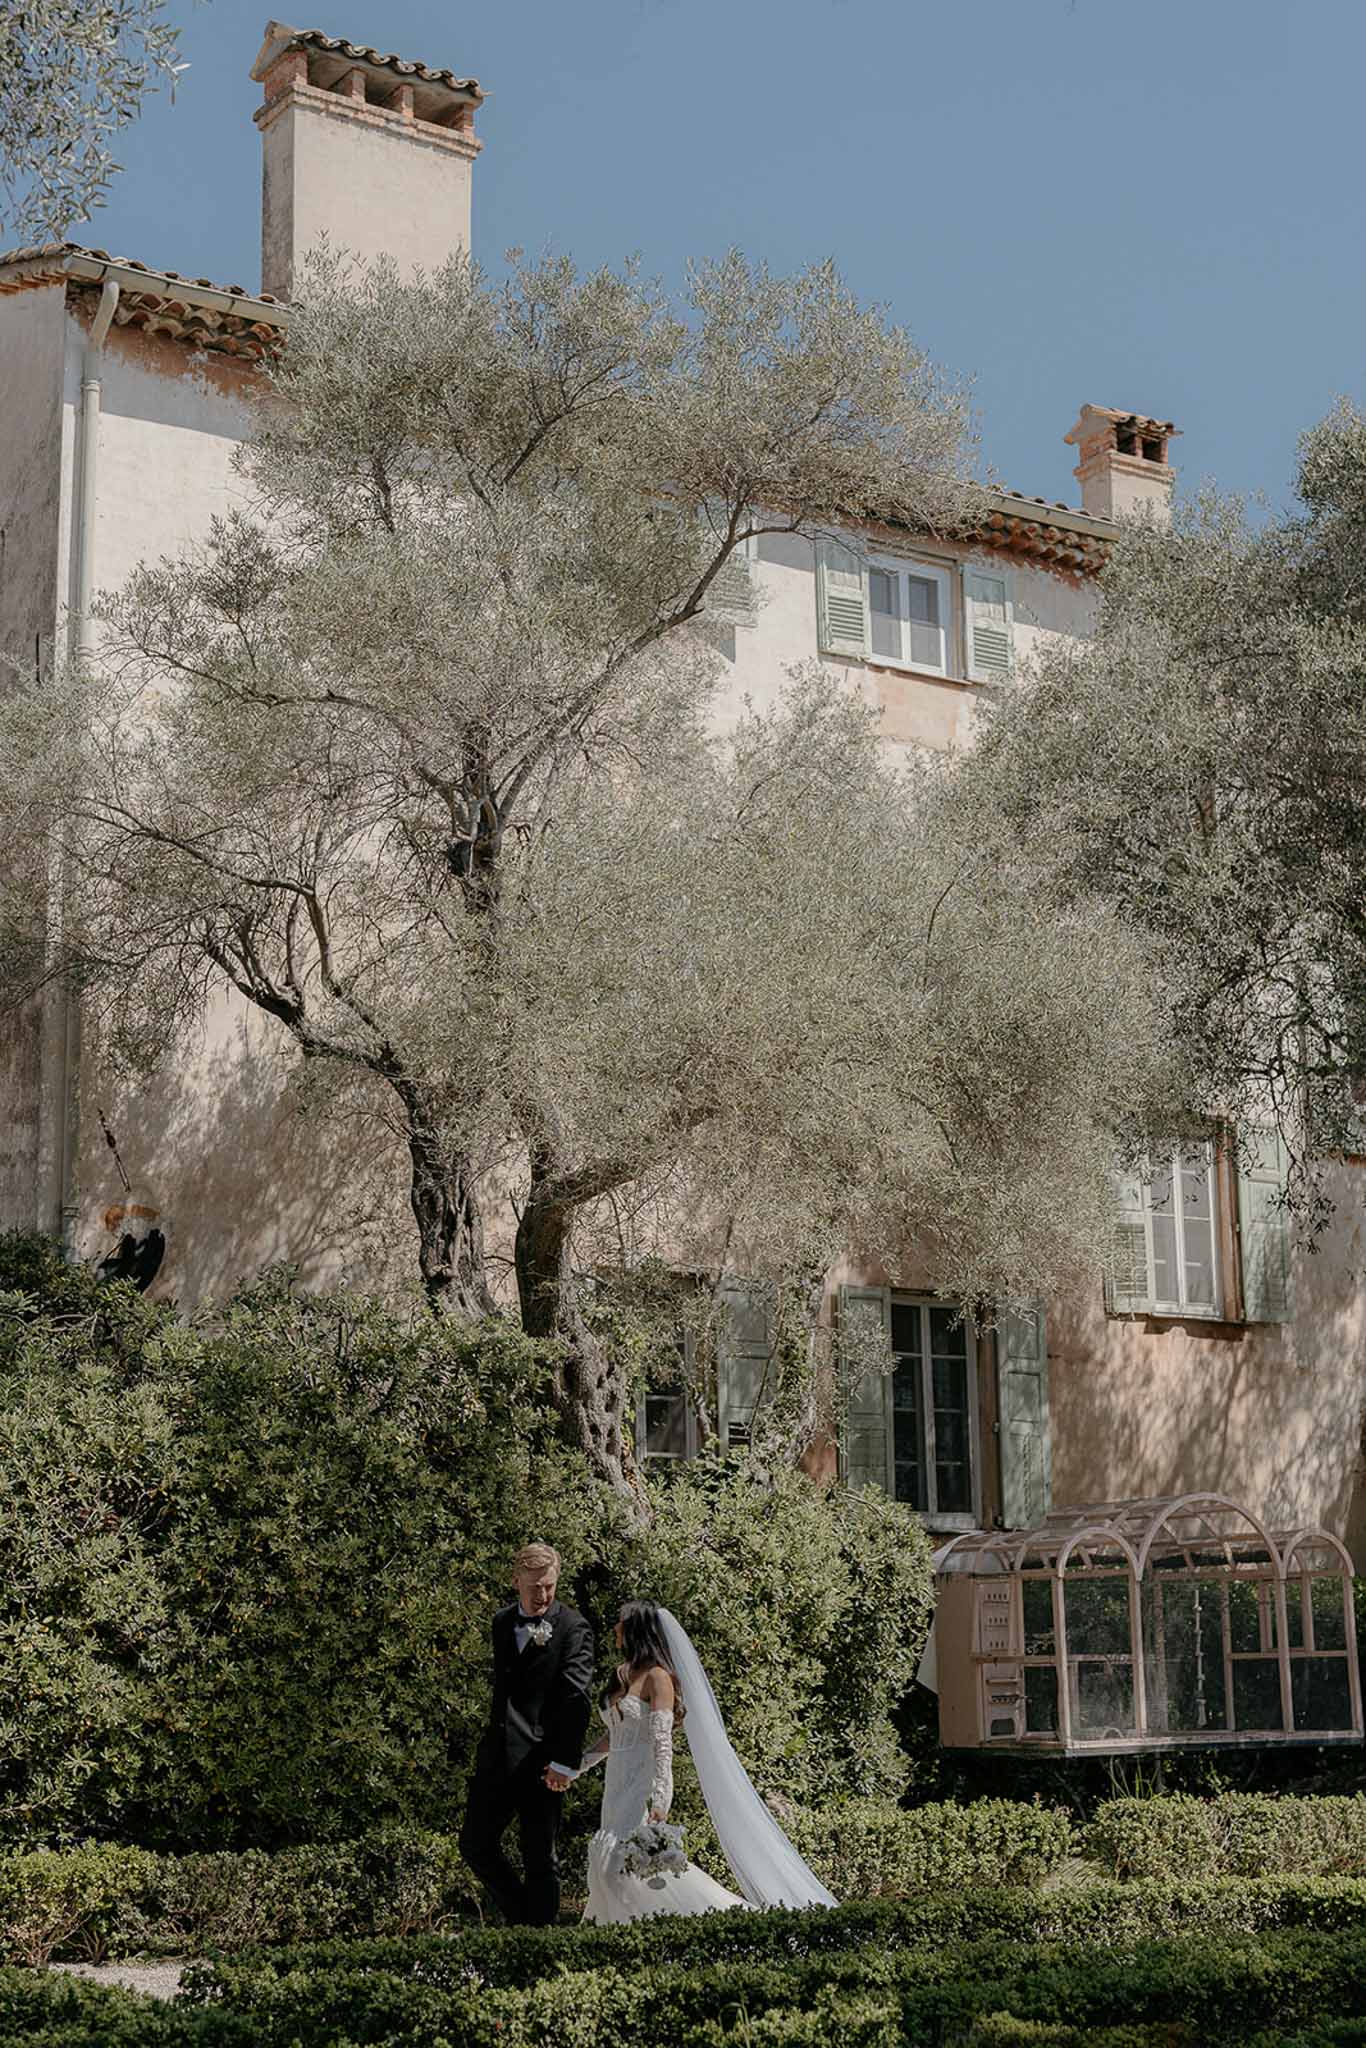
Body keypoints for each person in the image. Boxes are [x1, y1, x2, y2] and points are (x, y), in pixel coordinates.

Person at [560, 1599, 837, 1922]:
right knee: (610, 1870)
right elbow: (614, 1737)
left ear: (637, 1628)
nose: (615, 1628)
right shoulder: (621, 1675)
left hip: (641, 1786)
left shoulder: (659, 1678)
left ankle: (722, 1918)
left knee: (619, 1869)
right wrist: (576, 1767)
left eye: (621, 1621)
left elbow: (663, 1745)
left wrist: (661, 1800)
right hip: (615, 1788)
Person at [459, 1542, 594, 1925]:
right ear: (516, 1579)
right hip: (498, 1757)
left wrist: (563, 1762)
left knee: (539, 1856)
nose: (543, 1595)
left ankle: (540, 1940)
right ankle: (525, 1924)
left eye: (549, 1586)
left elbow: (576, 1699)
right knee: (475, 1844)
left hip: (543, 1762)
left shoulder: (573, 1627)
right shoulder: (502, 1622)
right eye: (535, 1586)